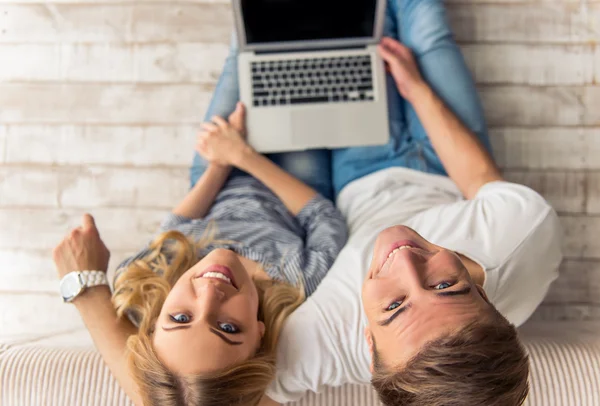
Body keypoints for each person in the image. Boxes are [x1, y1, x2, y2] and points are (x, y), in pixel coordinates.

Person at [257, 0, 562, 405]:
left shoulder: (322, 342)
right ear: (485, 297)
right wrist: (417, 89)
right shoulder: (526, 233)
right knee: (425, 26)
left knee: (345, 28)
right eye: (445, 285)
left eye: (395, 305)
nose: (404, 258)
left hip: (361, 172)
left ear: (367, 345)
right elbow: (479, 180)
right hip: (447, 161)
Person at [52, 82, 348, 405]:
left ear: (153, 323)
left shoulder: (148, 276)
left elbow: (177, 226)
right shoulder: (296, 282)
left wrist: (220, 163)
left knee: (244, 52)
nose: (210, 294)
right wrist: (242, 155)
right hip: (294, 177)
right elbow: (323, 218)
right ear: (259, 337)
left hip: (215, 175)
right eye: (228, 327)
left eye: (180, 318)